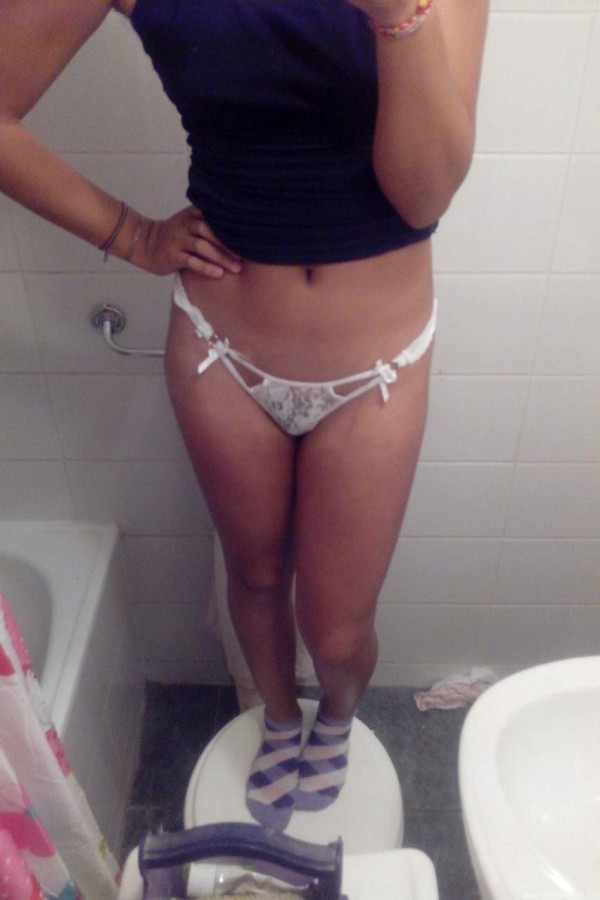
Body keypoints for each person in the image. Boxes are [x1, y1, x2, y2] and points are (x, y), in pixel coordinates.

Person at [1, 0, 489, 830]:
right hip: (222, 348)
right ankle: (280, 717)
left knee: (337, 633)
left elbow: (421, 197)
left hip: (380, 365)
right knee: (255, 577)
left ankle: (336, 717)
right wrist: (131, 234)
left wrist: (396, 16)